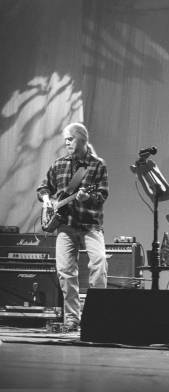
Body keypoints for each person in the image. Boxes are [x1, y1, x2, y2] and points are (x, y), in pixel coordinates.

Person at [37, 123, 109, 331]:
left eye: (71, 138)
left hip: (90, 225)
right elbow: (43, 188)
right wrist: (47, 200)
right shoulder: (58, 164)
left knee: (99, 263)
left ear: (82, 139)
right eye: (66, 139)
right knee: (65, 272)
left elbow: (102, 195)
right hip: (65, 226)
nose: (66, 142)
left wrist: (87, 196)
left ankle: (97, 315)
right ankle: (72, 320)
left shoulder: (97, 165)